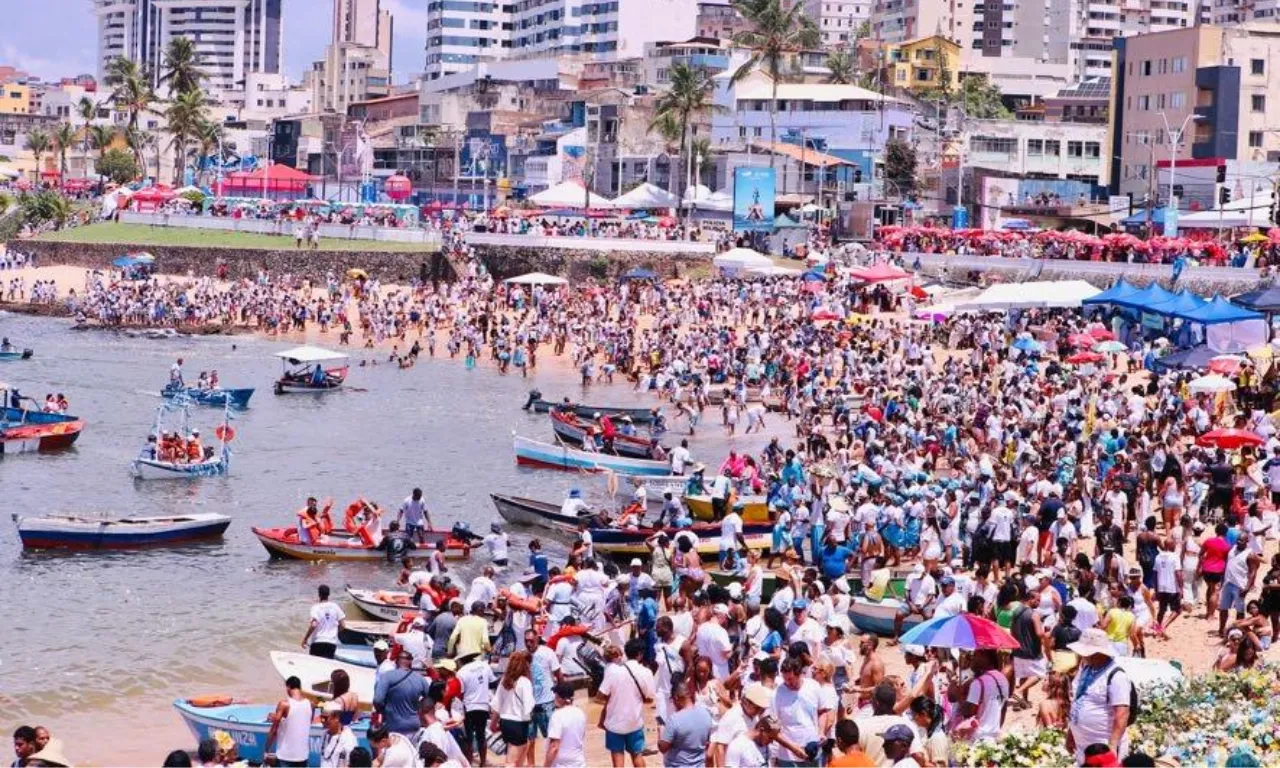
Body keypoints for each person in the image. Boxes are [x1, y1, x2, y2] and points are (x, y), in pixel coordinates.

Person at [1066, 628, 1134, 762]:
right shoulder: (1086, 669)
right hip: (1083, 745)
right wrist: (1071, 733)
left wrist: (1113, 746)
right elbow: (1078, 701)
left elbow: (1122, 713)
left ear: (1097, 653)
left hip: (1103, 746)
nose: (1082, 656)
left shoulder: (1116, 676)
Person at [597, 638, 656, 767]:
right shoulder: (646, 672)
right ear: (640, 654)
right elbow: (650, 699)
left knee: (618, 761)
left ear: (626, 653)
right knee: (637, 756)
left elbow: (600, 696)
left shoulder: (613, 671)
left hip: (614, 723)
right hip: (635, 722)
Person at [659, 676, 715, 768]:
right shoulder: (706, 713)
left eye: (672, 700)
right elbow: (707, 742)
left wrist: (660, 733)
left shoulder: (674, 719)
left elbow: (663, 748)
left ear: (676, 697)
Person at [525, 629, 563, 765]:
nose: (529, 644)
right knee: (529, 739)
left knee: (551, 737)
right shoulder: (523, 656)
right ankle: (531, 765)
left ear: (537, 639)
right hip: (529, 705)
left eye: (531, 641)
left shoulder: (547, 653)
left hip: (547, 703)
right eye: (526, 641)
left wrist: (561, 696)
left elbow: (559, 675)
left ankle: (552, 764)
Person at [491, 650, 535, 766]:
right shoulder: (524, 682)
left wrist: (493, 723)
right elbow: (529, 706)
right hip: (518, 723)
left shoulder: (504, 680)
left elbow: (497, 704)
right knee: (511, 762)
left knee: (517, 755)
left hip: (504, 722)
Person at [374, 649, 429, 736]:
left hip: (393, 725)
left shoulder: (387, 676)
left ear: (396, 661)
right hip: (414, 726)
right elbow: (428, 700)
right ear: (410, 662)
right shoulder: (421, 679)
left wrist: (382, 711)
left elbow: (377, 700)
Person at [265, 676, 313, 768]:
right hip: (303, 756)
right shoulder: (310, 704)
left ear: (288, 687)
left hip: (285, 756)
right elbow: (304, 723)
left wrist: (266, 749)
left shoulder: (284, 704)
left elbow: (274, 729)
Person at [458, 652, 496, 766]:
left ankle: (469, 764)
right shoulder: (484, 665)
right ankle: (483, 763)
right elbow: (493, 683)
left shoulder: (461, 672)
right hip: (483, 706)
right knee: (481, 736)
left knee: (469, 738)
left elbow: (461, 693)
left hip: (469, 707)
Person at [545, 682, 587, 768]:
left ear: (561, 698)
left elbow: (554, 747)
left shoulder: (557, 716)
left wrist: (546, 766)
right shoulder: (580, 713)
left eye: (556, 696)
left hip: (561, 765)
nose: (554, 698)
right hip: (580, 763)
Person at [303, 584, 346, 658]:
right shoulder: (335, 606)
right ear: (329, 594)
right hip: (331, 643)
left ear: (319, 594)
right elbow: (343, 625)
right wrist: (334, 633)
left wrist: (305, 639)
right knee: (328, 666)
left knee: (315, 665)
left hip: (318, 642)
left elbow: (313, 625)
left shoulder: (316, 607)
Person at [320, 701, 360, 768]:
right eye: (321, 717)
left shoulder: (349, 739)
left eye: (325, 718)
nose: (322, 720)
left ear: (337, 718)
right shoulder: (324, 735)